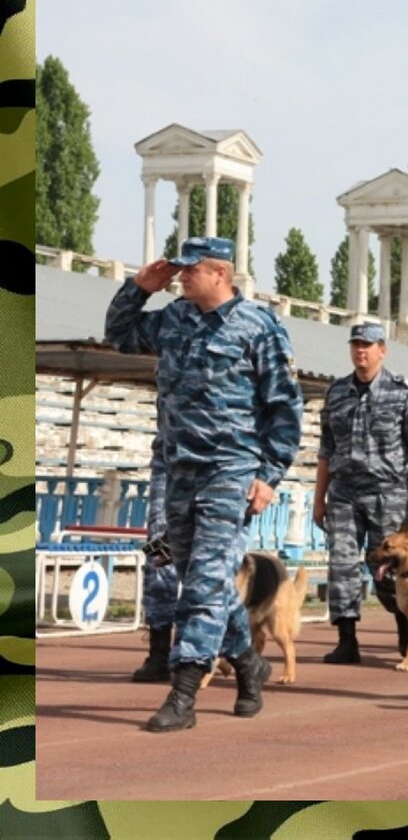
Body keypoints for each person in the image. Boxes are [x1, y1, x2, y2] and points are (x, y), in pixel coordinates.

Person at [105, 236, 304, 732]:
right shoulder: (174, 317)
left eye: (190, 269)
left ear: (219, 273)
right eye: (179, 270)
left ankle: (184, 690)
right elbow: (119, 335)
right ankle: (248, 661)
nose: (181, 276)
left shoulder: (259, 326)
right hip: (178, 469)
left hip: (230, 471)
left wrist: (269, 475)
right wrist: (138, 288)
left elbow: (284, 407)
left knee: (203, 581)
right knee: (195, 578)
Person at [313, 323, 408, 664]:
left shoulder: (404, 393)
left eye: (367, 345)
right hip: (344, 493)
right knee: (341, 567)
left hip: (388, 492)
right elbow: (326, 450)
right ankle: (347, 639)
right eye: (355, 345)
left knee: (388, 567)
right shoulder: (336, 393)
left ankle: (404, 628)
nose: (360, 351)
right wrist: (318, 498)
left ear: (383, 349)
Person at [130, 429, 178, 682]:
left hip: (216, 460)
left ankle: (229, 651)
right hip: (168, 458)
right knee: (159, 551)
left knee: (207, 557)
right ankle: (159, 652)